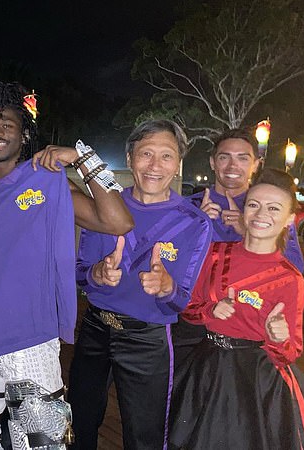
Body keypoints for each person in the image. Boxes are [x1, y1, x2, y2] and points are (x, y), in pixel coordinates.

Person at [0, 81, 134, 450]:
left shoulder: (45, 180)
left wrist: (80, 158)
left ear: (25, 133)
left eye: (6, 125)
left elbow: (117, 221)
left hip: (29, 345)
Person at [68, 119, 213, 450]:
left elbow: (182, 303)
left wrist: (166, 288)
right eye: (146, 153)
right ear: (130, 157)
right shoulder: (107, 204)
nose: (154, 165)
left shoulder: (194, 222)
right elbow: (79, 272)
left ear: (178, 164)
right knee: (79, 421)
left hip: (147, 339)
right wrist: (96, 275)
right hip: (95, 329)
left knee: (144, 435)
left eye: (166, 156)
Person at [169, 168, 304, 449]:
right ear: (244, 210)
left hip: (255, 380)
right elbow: (187, 308)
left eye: (274, 208)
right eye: (254, 204)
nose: (262, 214)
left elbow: (291, 351)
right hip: (206, 369)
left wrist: (278, 336)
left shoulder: (290, 278)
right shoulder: (214, 254)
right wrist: (209, 311)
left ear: (288, 220)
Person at [174, 128, 304, 367]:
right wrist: (195, 228)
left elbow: (294, 268)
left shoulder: (269, 208)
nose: (233, 165)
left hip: (248, 332)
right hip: (192, 324)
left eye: (243, 158)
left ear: (256, 164)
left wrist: (247, 231)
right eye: (225, 157)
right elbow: (169, 262)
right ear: (213, 162)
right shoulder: (188, 206)